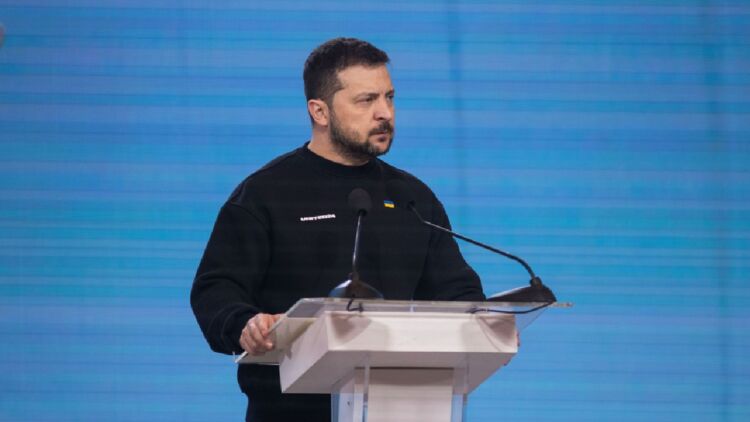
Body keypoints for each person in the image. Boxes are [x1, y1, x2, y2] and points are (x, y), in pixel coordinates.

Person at [190, 37, 485, 422]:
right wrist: (245, 323)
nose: (384, 113)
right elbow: (216, 289)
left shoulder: (412, 198)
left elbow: (458, 292)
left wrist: (485, 324)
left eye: (389, 97)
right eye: (366, 100)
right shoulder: (266, 194)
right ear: (320, 111)